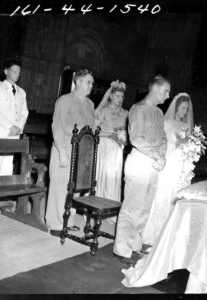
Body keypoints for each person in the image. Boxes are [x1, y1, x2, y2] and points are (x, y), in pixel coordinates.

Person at [113, 75, 170, 265]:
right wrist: (157, 156)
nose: (168, 96)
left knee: (145, 209)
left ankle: (134, 246)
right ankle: (121, 250)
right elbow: (137, 139)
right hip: (139, 163)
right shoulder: (138, 109)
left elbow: (163, 138)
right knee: (132, 208)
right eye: (165, 91)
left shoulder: (160, 113)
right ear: (155, 89)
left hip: (154, 165)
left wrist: (161, 155)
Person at [45, 69, 96, 237]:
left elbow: (91, 129)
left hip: (81, 151)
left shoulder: (90, 104)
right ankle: (55, 223)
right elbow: (57, 126)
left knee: (73, 188)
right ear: (78, 82)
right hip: (65, 147)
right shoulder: (65, 100)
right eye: (88, 82)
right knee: (60, 187)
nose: (91, 86)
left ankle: (68, 220)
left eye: (91, 83)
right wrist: (62, 152)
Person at [142, 93, 194, 246]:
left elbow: (188, 145)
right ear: (176, 107)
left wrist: (189, 148)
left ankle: (171, 234)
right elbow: (161, 142)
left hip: (180, 164)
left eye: (187, 109)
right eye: (183, 108)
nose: (185, 112)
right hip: (169, 162)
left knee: (177, 195)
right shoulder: (166, 122)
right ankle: (156, 233)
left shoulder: (185, 126)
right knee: (163, 195)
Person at [95, 80, 128, 222]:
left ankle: (110, 211)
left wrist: (123, 137)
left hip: (117, 148)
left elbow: (128, 131)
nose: (119, 99)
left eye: (121, 97)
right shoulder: (103, 111)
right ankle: (97, 208)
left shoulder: (126, 113)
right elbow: (94, 131)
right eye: (116, 96)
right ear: (111, 96)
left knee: (114, 177)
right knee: (104, 176)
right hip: (105, 146)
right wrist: (109, 135)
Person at [0, 59, 29, 175]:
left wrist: (18, 128)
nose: (17, 74)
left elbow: (24, 113)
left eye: (19, 72)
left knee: (7, 166)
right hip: (0, 132)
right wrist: (10, 127)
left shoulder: (21, 92)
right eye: (14, 71)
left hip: (14, 134)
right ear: (6, 71)